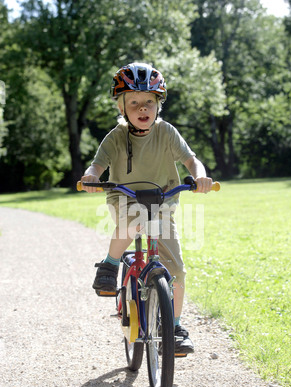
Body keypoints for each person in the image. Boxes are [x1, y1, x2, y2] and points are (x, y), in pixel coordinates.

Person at [80, 62, 212, 355]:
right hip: (125, 198)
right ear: (122, 107)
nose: (142, 108)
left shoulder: (167, 133)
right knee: (135, 218)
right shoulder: (116, 136)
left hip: (161, 202)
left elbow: (191, 160)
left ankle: (174, 328)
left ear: (158, 105)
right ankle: (110, 265)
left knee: (176, 270)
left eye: (149, 102)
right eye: (134, 102)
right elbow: (98, 164)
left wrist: (200, 175)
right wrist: (91, 176)